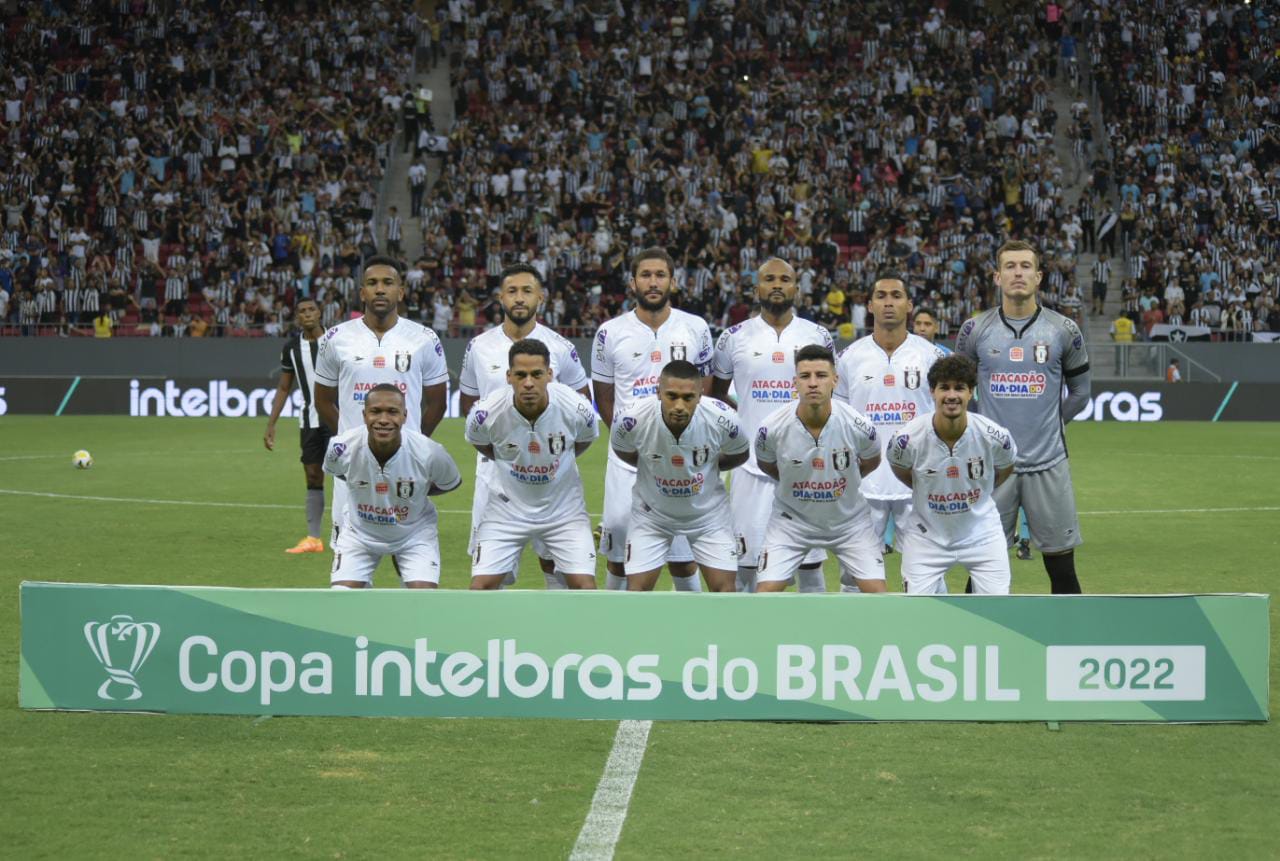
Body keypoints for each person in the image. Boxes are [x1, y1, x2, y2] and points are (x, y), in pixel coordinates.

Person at [955, 240, 1091, 594]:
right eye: (1010, 266)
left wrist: (1051, 426)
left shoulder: (1063, 329)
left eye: (1026, 266)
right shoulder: (974, 329)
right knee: (982, 569)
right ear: (997, 276)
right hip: (992, 467)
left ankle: (1070, 630)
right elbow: (957, 391)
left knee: (1062, 568)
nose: (1018, 273)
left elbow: (1081, 393)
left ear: (1039, 276)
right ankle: (973, 632)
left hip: (1048, 464)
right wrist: (980, 429)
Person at [459, 264, 590, 590]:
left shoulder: (560, 347)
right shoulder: (479, 346)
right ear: (501, 297)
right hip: (495, 476)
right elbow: (469, 405)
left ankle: (557, 618)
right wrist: (503, 454)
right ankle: (497, 624)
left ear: (540, 297)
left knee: (556, 563)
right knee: (493, 572)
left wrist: (555, 453)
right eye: (512, 291)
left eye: (527, 291)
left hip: (553, 478)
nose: (519, 298)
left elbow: (582, 407)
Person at [710, 258, 835, 593]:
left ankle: (815, 626)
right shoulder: (733, 337)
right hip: (750, 468)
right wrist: (743, 417)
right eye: (769, 279)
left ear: (796, 288)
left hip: (805, 468)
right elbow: (716, 396)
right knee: (745, 565)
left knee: (810, 565)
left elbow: (830, 394)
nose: (777, 285)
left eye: (784, 279)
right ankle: (746, 627)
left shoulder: (817, 335)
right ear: (757, 289)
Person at [592, 247, 713, 592]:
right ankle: (613, 617)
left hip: (681, 456)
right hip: (627, 458)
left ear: (673, 282)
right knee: (618, 547)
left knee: (682, 555)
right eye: (645, 275)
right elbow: (604, 396)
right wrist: (627, 439)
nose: (653, 282)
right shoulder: (610, 332)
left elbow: (706, 389)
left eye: (660, 275)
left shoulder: (696, 327)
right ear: (633, 283)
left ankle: (690, 620)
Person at [313, 255, 449, 551]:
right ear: (362, 292)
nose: (380, 289)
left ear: (401, 291)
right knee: (348, 553)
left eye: (388, 283)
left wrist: (412, 441)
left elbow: (438, 403)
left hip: (407, 465)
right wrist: (350, 440)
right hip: (353, 465)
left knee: (410, 553)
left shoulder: (424, 339)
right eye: (372, 283)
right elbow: (322, 400)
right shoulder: (335, 339)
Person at [834, 272, 948, 590]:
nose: (888, 302)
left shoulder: (932, 357)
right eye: (881, 296)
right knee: (854, 580)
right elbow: (839, 421)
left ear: (909, 305)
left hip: (918, 484)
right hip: (863, 486)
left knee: (927, 577)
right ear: (870, 305)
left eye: (896, 296)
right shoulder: (848, 358)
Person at [464, 340, 599, 591]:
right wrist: (510, 459)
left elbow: (583, 441)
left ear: (550, 375)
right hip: (506, 511)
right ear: (508, 376)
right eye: (520, 375)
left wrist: (554, 461)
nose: (528, 383)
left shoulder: (577, 408)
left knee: (585, 587)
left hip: (564, 511)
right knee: (480, 588)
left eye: (536, 374)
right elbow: (480, 442)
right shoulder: (486, 413)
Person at [754, 345, 886, 594]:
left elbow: (871, 460)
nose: (813, 383)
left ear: (835, 380)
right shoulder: (771, 428)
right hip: (791, 523)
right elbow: (767, 464)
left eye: (821, 375)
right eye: (805, 376)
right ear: (795, 382)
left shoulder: (860, 426)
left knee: (878, 595)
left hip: (850, 523)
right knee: (765, 594)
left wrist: (844, 481)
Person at [610, 360, 749, 592]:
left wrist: (708, 466)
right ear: (658, 392)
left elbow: (740, 454)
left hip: (708, 517)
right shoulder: (631, 419)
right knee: (636, 593)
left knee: (725, 593)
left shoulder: (724, 419)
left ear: (700, 395)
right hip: (652, 517)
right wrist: (653, 466)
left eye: (688, 398)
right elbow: (621, 449)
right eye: (671, 396)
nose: (679, 406)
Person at [887, 355, 1018, 594]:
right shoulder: (907, 439)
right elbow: (900, 468)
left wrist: (982, 489)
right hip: (926, 536)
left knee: (998, 607)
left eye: (959, 388)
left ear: (971, 392)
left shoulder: (995, 436)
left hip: (982, 533)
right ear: (932, 392)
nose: (951, 395)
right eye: (944, 387)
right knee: (916, 609)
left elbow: (1006, 466)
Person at [322, 384, 461, 589]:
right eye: (375, 411)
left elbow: (450, 482)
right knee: (342, 595)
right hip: (359, 535)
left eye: (392, 412)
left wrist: (418, 492)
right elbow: (339, 472)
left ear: (404, 416)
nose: (383, 419)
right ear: (364, 415)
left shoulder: (430, 452)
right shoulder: (340, 447)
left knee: (424, 600)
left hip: (414, 535)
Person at [264, 297, 332, 554]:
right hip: (310, 420)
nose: (307, 314)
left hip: (339, 418)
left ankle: (353, 535)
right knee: (313, 475)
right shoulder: (291, 348)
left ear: (320, 312)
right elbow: (284, 387)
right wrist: (271, 424)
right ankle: (314, 539)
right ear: (297, 318)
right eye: (302, 311)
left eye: (311, 309)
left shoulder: (337, 340)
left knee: (349, 476)